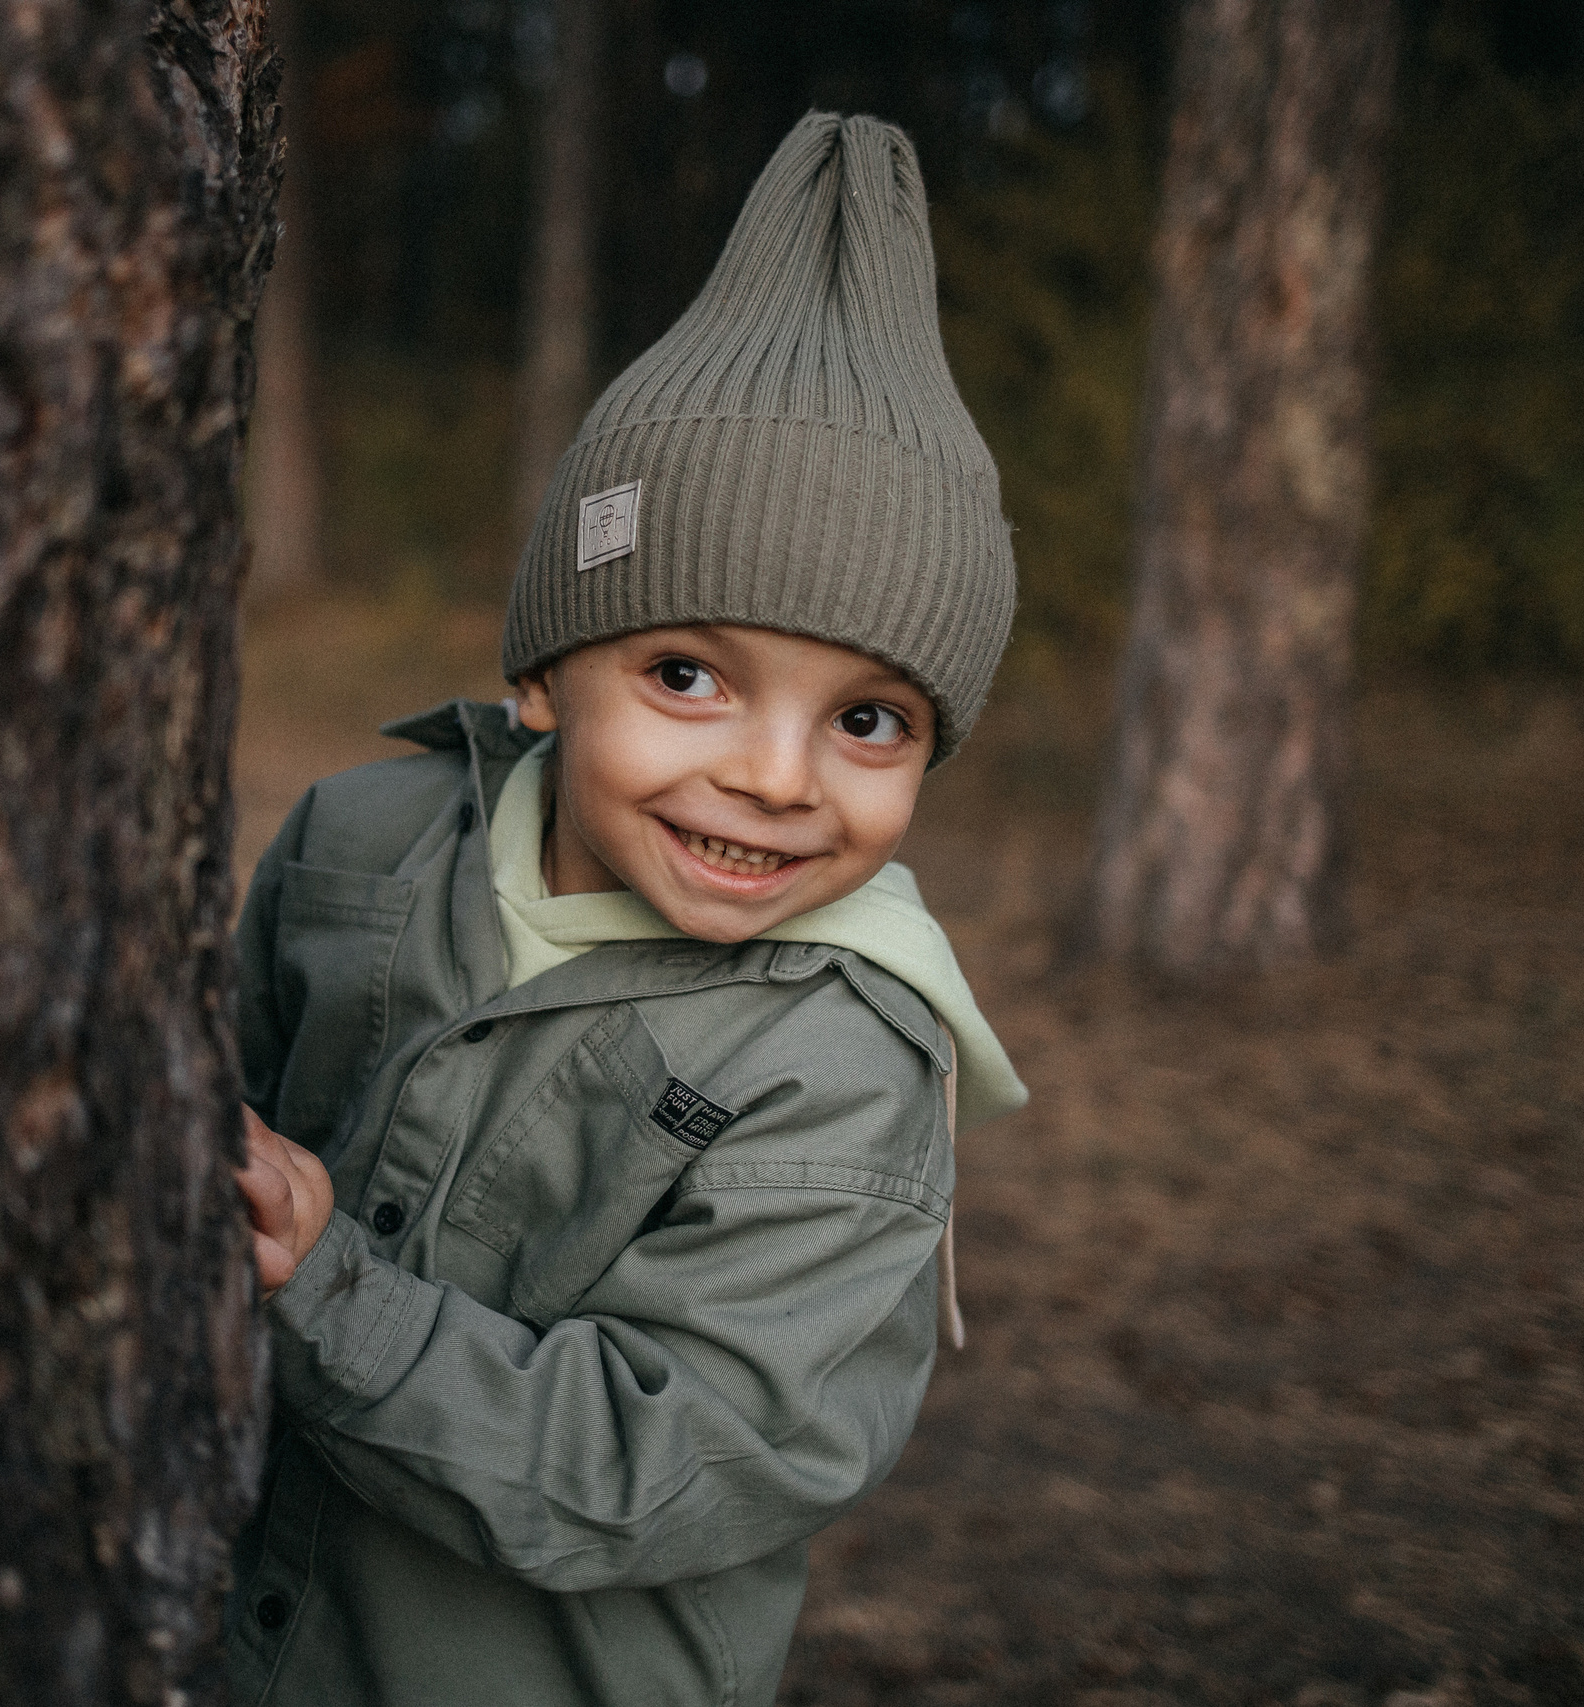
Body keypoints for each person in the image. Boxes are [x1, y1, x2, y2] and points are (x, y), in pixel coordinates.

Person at [227, 111, 1029, 1707]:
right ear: (544, 671)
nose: (779, 776)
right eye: (687, 676)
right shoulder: (362, 839)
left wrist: (326, 1296)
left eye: (870, 721)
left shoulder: (845, 1077)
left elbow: (662, 1460)